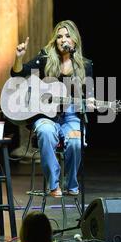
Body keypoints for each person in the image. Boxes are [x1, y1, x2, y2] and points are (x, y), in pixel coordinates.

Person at [11, 20, 94, 198]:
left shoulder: (85, 65)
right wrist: (19, 57)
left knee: (76, 141)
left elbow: (89, 94)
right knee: (46, 132)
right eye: (59, 36)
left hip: (71, 115)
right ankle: (53, 182)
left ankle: (70, 182)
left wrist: (91, 101)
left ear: (74, 40)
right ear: (55, 41)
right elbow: (18, 73)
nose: (63, 39)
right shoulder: (45, 59)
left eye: (67, 36)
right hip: (46, 115)